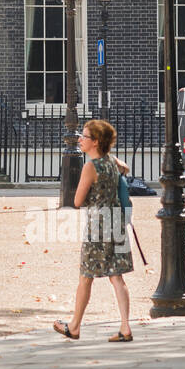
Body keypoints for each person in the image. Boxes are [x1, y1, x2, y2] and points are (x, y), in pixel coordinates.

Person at [54, 119, 134, 343]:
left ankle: (75, 326)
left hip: (98, 226)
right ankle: (126, 327)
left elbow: (77, 200)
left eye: (85, 136)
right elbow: (125, 167)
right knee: (117, 276)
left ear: (96, 142)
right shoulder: (110, 162)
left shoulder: (90, 167)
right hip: (116, 222)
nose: (79, 139)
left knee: (86, 277)